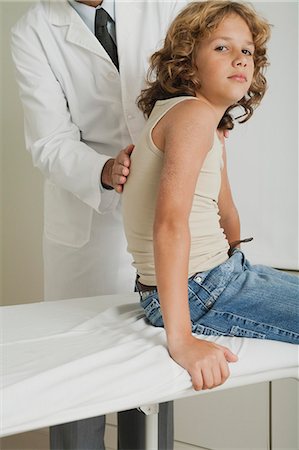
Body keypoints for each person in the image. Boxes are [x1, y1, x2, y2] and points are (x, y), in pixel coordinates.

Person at [11, 0, 188, 449]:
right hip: (88, 221)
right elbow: (50, 140)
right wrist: (105, 171)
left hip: (160, 212)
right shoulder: (33, 29)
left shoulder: (165, 6)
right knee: (77, 384)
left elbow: (198, 81)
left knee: (152, 376)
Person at [122, 0, 299, 392]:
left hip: (219, 276)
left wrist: (240, 261)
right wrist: (181, 340)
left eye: (247, 51)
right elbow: (169, 223)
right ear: (187, 62)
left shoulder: (205, 121)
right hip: (198, 289)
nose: (240, 59)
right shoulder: (192, 116)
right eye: (222, 48)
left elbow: (226, 210)